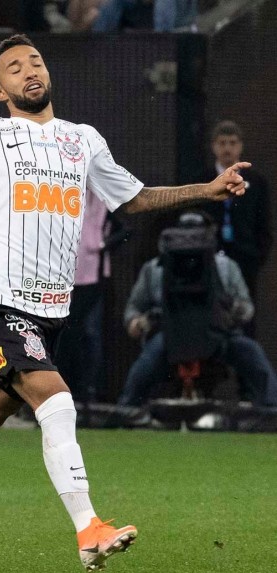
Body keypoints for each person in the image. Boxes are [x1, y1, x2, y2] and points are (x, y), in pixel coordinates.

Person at [0, 33, 250, 572]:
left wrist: (206, 189)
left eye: (35, 61)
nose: (29, 71)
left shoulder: (82, 140)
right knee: (56, 403)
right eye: (14, 68)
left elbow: (130, 198)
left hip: (52, 309)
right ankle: (89, 528)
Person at [117, 212, 277, 409]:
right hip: (171, 335)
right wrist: (137, 321)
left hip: (216, 334)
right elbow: (133, 308)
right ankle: (126, 411)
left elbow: (246, 305)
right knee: (145, 366)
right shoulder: (155, 269)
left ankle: (271, 410)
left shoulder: (226, 267)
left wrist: (236, 311)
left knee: (252, 354)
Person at [56, 189, 129, 403]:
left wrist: (102, 245)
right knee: (67, 332)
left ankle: (90, 390)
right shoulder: (63, 194)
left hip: (94, 276)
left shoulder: (102, 201)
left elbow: (125, 229)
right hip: (65, 276)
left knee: (90, 332)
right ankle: (68, 387)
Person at [201, 120, 271, 330]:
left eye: (232, 143)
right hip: (211, 254)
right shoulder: (203, 180)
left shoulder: (256, 182)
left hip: (244, 257)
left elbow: (264, 224)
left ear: (240, 146)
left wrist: (257, 256)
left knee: (244, 315)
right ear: (214, 146)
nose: (227, 149)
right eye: (222, 143)